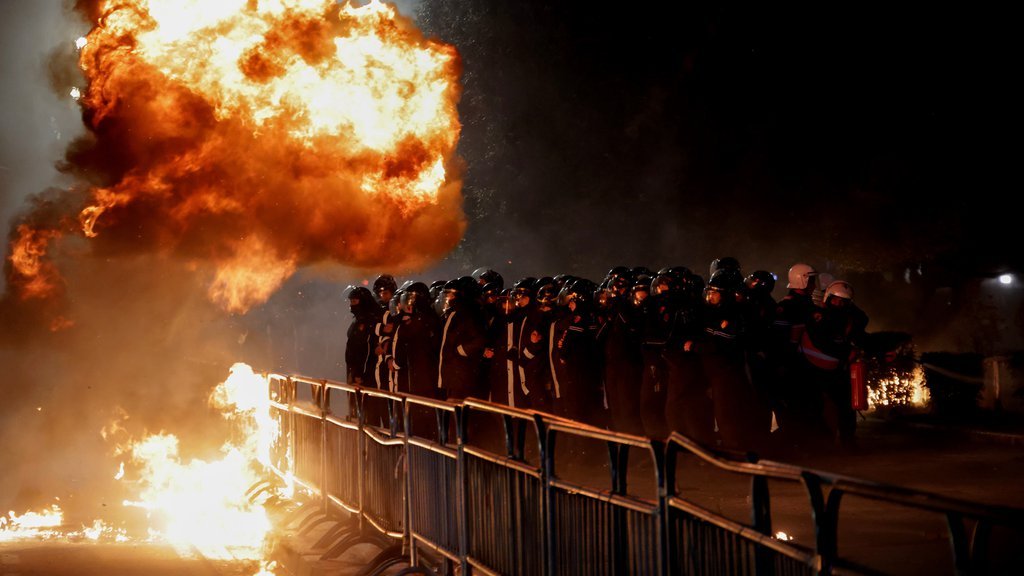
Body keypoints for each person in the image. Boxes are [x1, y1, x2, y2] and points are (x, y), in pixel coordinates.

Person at [801, 280, 869, 449]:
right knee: (814, 408)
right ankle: (819, 443)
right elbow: (822, 342)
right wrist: (846, 352)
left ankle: (848, 441)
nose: (838, 304)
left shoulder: (848, 318)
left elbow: (861, 325)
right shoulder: (818, 316)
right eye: (835, 300)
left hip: (836, 370)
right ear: (828, 298)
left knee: (846, 406)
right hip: (812, 370)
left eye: (843, 301)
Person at [344, 285, 382, 386]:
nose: (351, 305)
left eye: (354, 301)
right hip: (353, 369)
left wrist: (359, 373)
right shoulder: (358, 319)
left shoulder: (370, 321)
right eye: (351, 302)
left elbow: (366, 349)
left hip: (362, 375)